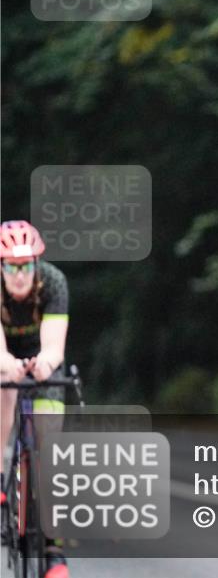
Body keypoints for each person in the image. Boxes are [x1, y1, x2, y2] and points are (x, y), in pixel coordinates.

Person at [0, 220, 70, 578]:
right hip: (5, 360)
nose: (19, 275)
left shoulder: (54, 282)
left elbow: (54, 346)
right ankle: (0, 483)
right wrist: (7, 365)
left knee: (49, 446)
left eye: (25, 265)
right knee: (3, 403)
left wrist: (44, 363)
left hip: (41, 361)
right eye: (11, 266)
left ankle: (54, 553)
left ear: (36, 265)